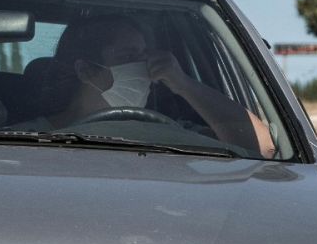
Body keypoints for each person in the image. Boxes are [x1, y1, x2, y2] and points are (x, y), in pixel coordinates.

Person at [22, 15, 275, 157]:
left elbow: (263, 147)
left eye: (146, 56)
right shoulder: (26, 138)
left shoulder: (175, 134)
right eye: (128, 57)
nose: (144, 67)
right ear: (86, 70)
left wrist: (184, 84)